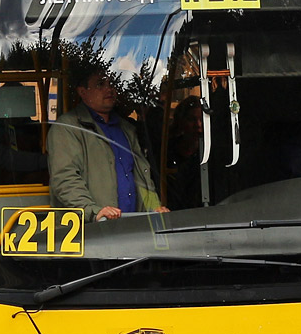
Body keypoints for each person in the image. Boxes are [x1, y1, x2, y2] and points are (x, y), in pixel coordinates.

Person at [47, 67, 168, 221]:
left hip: (133, 228)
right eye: (100, 84)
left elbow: (141, 176)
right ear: (82, 92)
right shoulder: (67, 128)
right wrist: (93, 211)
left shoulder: (126, 129)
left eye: (112, 83)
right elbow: (65, 179)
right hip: (91, 233)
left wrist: (153, 208)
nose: (109, 89)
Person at [165, 95, 204, 210]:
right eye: (192, 119)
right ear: (181, 122)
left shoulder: (211, 153)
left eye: (202, 119)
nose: (198, 125)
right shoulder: (167, 153)